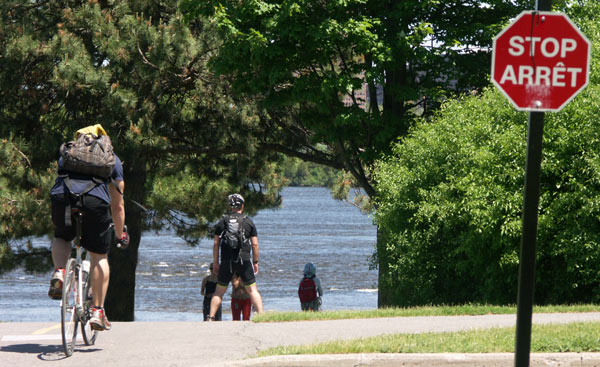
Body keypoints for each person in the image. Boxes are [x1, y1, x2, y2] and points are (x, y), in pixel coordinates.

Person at [48, 124, 128, 331]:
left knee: (62, 236)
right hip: (94, 203)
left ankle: (59, 271)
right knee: (99, 256)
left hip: (63, 198)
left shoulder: (68, 152)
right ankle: (97, 311)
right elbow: (118, 206)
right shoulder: (113, 159)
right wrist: (120, 235)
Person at [207, 194, 263, 320]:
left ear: (230, 206)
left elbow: (216, 243)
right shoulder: (248, 221)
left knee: (219, 291)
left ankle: (210, 317)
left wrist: (216, 262)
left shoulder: (223, 222)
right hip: (244, 260)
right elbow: (255, 244)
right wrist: (255, 261)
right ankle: (261, 316)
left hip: (227, 260)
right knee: (252, 290)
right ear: (242, 206)